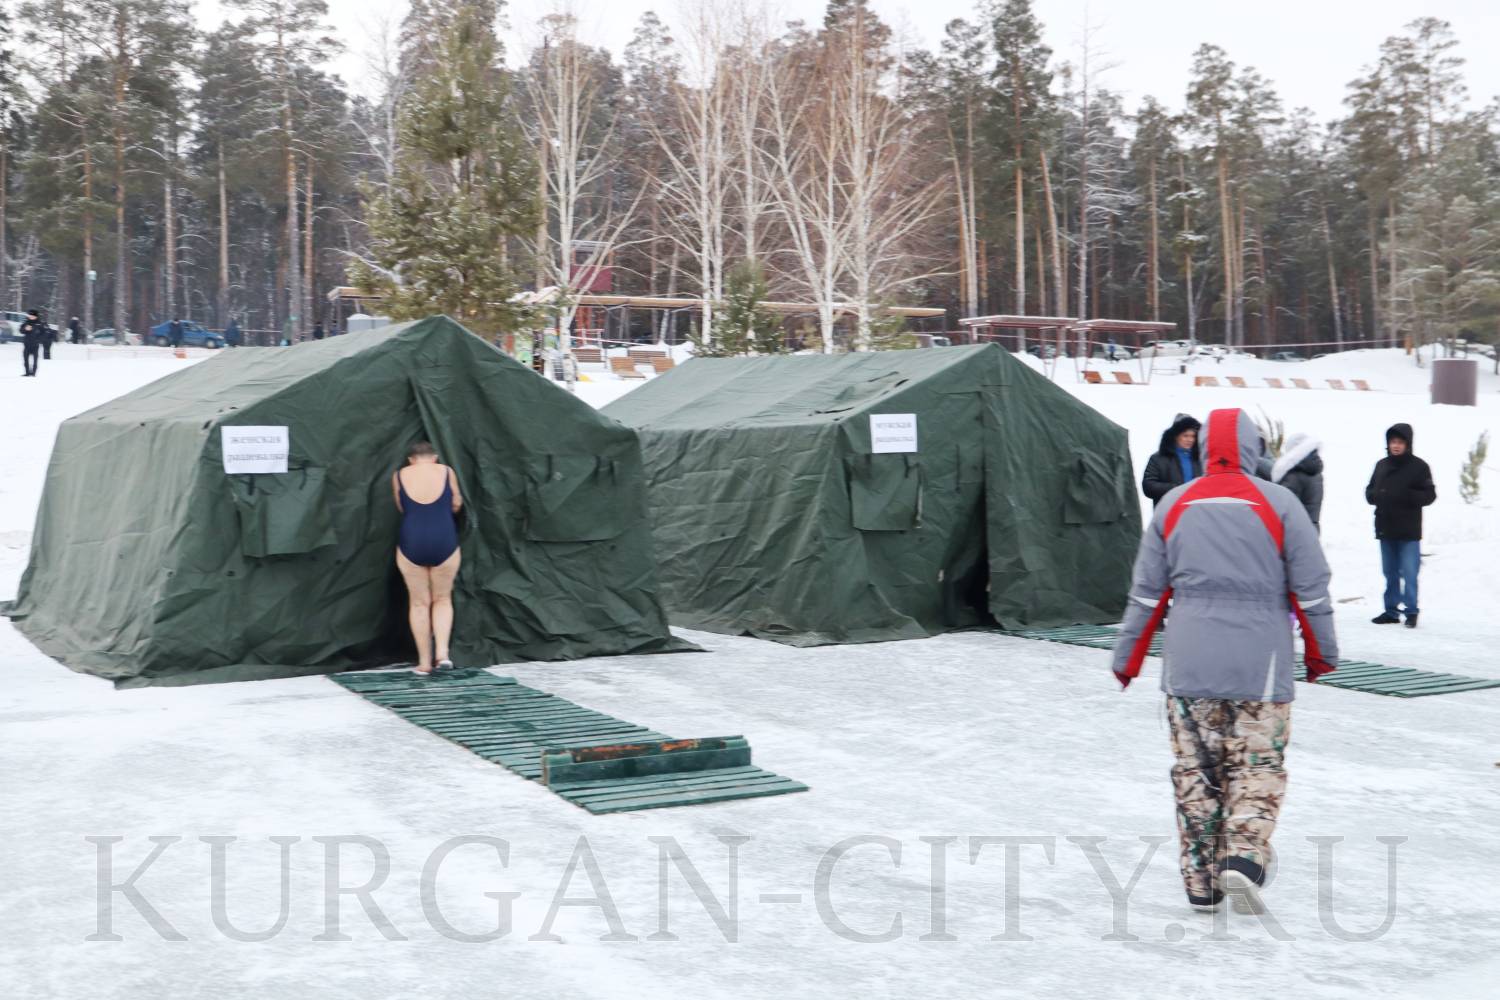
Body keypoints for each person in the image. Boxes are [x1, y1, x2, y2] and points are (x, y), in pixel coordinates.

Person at [1112, 408, 1338, 916]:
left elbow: (1147, 593)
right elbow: (1311, 587)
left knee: (1196, 771)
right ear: (1253, 449)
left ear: (1205, 448)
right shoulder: (1279, 503)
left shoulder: (1175, 504)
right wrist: (1321, 652)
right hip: (1261, 666)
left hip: (1189, 664)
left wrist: (1127, 658)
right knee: (1256, 764)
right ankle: (1243, 857)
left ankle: (1201, 882)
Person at [392, 441, 463, 676]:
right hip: (444, 537)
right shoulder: (446, 471)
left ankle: (424, 662)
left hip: (412, 540)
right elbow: (456, 503)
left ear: (411, 460)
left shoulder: (399, 475)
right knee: (442, 599)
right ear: (434, 457)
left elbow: (401, 506)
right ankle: (442, 654)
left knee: (418, 603)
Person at [1366, 423, 1436, 628]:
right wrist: (1375, 495)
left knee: (1409, 573)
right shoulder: (1381, 465)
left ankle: (1411, 611)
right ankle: (1391, 611)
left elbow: (1430, 495)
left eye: (1400, 442)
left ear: (1408, 444)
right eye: (1393, 442)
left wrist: (1408, 496)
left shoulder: (1419, 467)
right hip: (1385, 527)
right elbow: (1370, 490)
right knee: (1390, 573)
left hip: (1408, 531)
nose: (1396, 445)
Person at [1263, 432, 1325, 532]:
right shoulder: (1316, 473)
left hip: (1295, 532)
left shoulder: (1294, 476)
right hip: (1312, 528)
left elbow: (1283, 508)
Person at [1141, 413, 1202, 507]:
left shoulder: (1201, 459)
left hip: (1196, 511)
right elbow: (1148, 486)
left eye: (1193, 436)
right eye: (1185, 436)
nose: (1190, 439)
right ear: (1175, 436)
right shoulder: (1157, 458)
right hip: (1168, 511)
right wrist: (1177, 489)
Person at [19, 309, 44, 376]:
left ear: (36, 316)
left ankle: (33, 372)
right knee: (25, 358)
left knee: (35, 359)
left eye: (33, 316)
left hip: (35, 345)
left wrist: (39, 340)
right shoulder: (26, 322)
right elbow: (21, 331)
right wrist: (25, 329)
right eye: (30, 315)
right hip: (27, 344)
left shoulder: (39, 324)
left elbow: (43, 333)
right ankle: (27, 372)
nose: (31, 317)